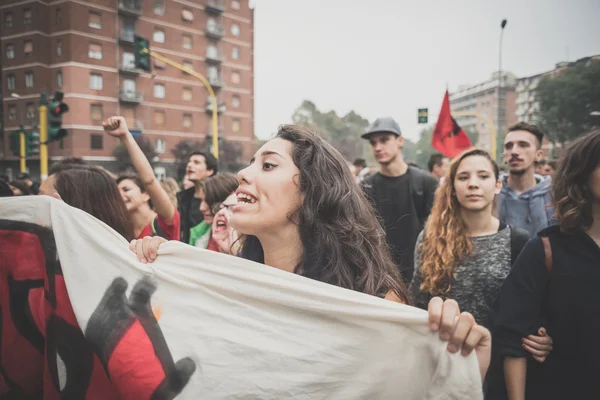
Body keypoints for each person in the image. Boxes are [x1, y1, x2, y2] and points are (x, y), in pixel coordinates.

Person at [130, 125, 493, 382]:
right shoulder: (230, 284)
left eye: (268, 165)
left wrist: (452, 366)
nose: (242, 173)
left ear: (311, 193)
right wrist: (161, 269)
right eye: (250, 163)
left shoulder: (373, 302)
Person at [408, 149, 552, 398]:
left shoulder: (517, 241)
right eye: (463, 177)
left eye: (483, 176)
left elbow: (530, 311)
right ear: (452, 187)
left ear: (497, 185)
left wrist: (545, 336)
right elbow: (417, 301)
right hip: (444, 363)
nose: (473, 184)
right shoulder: (429, 240)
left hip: (499, 370)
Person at [495, 129, 600, 400]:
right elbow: (514, 335)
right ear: (584, 175)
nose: (514, 151)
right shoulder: (546, 250)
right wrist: (541, 332)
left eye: (523, 144)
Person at [361, 117, 438, 283]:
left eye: (384, 140)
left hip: (421, 276)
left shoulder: (426, 183)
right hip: (379, 278)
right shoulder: (365, 187)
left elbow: (438, 233)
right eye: (373, 143)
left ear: (400, 141)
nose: (378, 147)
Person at [103, 116, 180, 240]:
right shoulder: (121, 233)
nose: (120, 196)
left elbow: (149, 181)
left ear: (146, 194)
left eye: (126, 189)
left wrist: (125, 136)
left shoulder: (165, 222)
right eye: (117, 193)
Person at [497, 123, 553, 238]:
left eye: (523, 145)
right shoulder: (491, 194)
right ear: (504, 155)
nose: (514, 151)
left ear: (539, 155)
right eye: (508, 146)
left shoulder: (555, 197)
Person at [189, 173, 238, 250]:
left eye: (209, 201)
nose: (201, 208)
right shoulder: (197, 233)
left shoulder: (248, 241)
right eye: (201, 201)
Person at [178, 152, 218, 243]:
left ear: (210, 171)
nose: (189, 165)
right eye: (189, 162)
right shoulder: (183, 197)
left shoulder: (218, 197)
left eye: (196, 162)